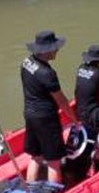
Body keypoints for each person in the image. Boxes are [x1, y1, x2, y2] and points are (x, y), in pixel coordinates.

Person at [20, 30, 73, 184]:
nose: (57, 50)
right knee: (54, 162)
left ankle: (31, 192)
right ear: (47, 50)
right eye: (55, 47)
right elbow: (61, 101)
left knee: (36, 157)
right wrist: (74, 118)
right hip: (46, 119)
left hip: (30, 114)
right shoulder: (47, 73)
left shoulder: (26, 62)